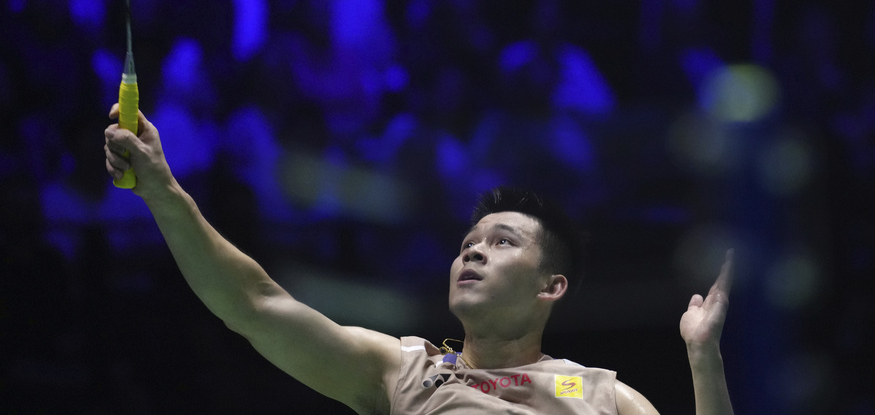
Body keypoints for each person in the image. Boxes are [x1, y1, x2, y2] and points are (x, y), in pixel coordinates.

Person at [103, 104, 735, 414]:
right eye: (468, 245)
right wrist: (162, 189)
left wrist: (702, 356)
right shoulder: (400, 369)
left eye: (503, 242)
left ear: (551, 286)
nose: (473, 251)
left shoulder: (602, 397)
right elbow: (254, 304)